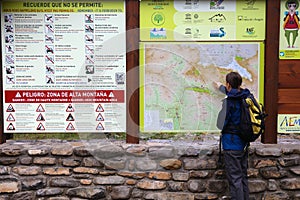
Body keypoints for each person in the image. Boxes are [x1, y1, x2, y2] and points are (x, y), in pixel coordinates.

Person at [216, 71, 250, 200]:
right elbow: (234, 93)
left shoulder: (229, 102)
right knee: (242, 177)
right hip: (244, 143)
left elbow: (220, 124)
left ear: (228, 84)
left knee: (235, 179)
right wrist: (221, 88)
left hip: (231, 144)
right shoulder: (246, 96)